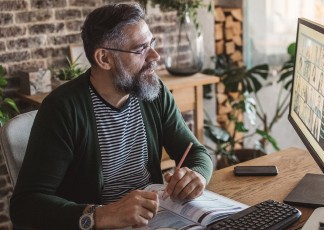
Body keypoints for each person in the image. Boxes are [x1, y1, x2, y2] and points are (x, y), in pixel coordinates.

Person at [9, 3, 213, 230]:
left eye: (152, 44)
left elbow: (195, 152)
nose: (155, 56)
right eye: (140, 49)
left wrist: (197, 175)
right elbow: (25, 206)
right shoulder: (62, 109)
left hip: (155, 221)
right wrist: (101, 215)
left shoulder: (152, 92)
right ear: (104, 58)